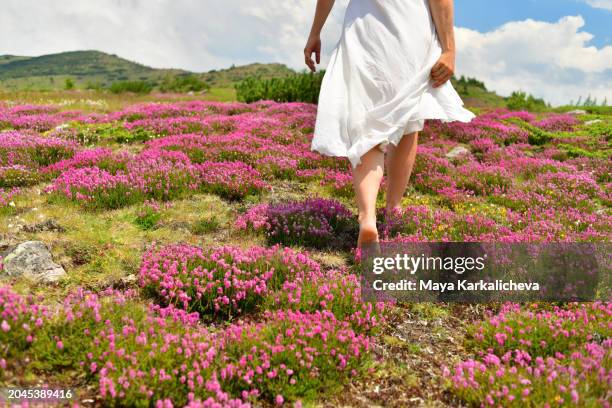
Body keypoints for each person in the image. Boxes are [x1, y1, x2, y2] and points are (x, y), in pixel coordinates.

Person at [305, 0, 475, 248]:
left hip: (365, 32)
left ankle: (367, 217)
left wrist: (315, 32)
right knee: (407, 121)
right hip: (410, 33)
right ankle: (393, 211)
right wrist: (449, 49)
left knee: (364, 122)